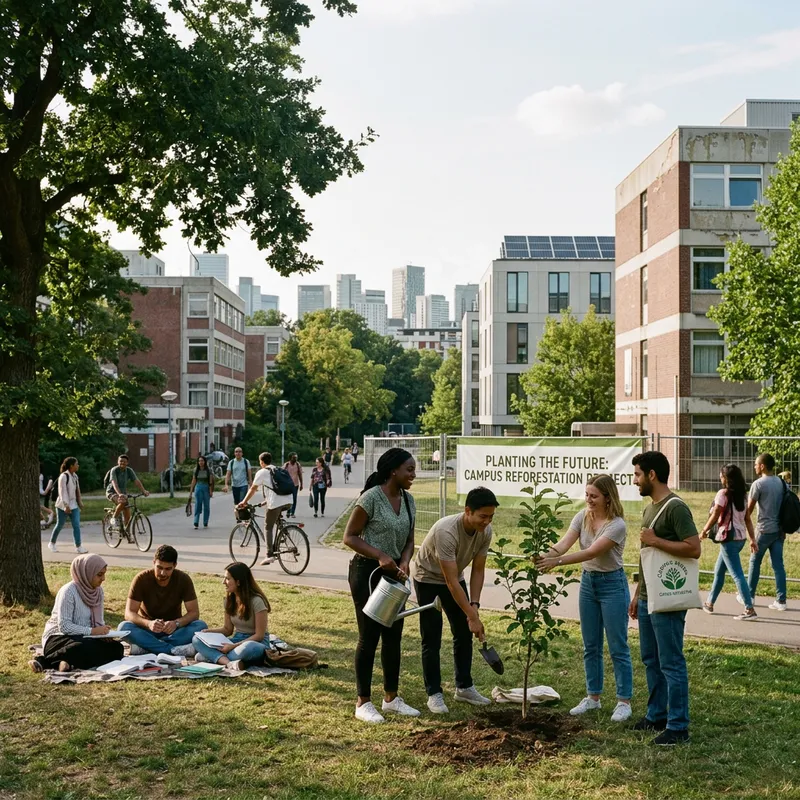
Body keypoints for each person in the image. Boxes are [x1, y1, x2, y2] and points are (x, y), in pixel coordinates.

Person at [537, 475, 633, 723]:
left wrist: (556, 562)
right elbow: (563, 545)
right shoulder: (582, 517)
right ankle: (593, 697)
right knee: (590, 645)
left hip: (613, 585)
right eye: (587, 494)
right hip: (588, 583)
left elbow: (591, 552)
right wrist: (544, 555)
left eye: (594, 496)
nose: (588, 499)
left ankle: (624, 702)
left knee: (618, 646)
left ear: (608, 498)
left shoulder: (617, 525)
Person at [629, 451, 700, 746]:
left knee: (671, 662)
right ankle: (656, 715)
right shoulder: (650, 509)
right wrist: (637, 594)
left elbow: (694, 548)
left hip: (668, 599)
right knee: (651, 660)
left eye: (637, 475)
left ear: (652, 475)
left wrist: (656, 540)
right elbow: (647, 557)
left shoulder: (675, 508)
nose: (635, 481)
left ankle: (678, 727)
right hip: (648, 597)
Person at [343, 447, 419, 724]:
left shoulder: (409, 500)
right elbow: (349, 537)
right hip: (367, 572)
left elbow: (409, 540)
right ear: (393, 471)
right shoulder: (371, 498)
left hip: (395, 573)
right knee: (369, 637)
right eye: (409, 469)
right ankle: (363, 702)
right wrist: (380, 556)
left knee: (393, 635)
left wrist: (405, 561)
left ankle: (391, 698)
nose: (413, 474)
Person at [412, 486, 499, 714]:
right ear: (468, 511)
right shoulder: (446, 531)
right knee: (432, 637)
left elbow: (478, 570)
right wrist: (472, 616)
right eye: (483, 516)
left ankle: (464, 687)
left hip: (455, 577)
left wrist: (474, 607)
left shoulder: (485, 531)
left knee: (463, 633)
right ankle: (434, 693)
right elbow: (449, 582)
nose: (487, 521)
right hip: (428, 578)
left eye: (491, 517)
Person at [30, 553, 124, 673]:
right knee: (82, 647)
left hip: (85, 637)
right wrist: (93, 631)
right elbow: (64, 626)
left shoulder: (98, 592)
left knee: (117, 648)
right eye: (99, 575)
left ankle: (65, 662)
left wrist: (104, 634)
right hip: (59, 637)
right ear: (87, 573)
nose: (103, 579)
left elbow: (98, 623)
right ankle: (44, 661)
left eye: (104, 574)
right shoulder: (68, 591)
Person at [118, 545, 207, 656]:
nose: (163, 573)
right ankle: (171, 650)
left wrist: (176, 623)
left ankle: (148, 647)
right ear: (153, 562)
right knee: (124, 627)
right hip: (147, 630)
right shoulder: (141, 579)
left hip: (174, 631)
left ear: (175, 565)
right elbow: (129, 613)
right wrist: (149, 624)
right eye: (159, 568)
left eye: (168, 569)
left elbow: (194, 613)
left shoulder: (183, 579)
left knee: (200, 625)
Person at [699, 464, 757, 621]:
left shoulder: (723, 494)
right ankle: (709, 603)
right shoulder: (743, 495)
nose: (719, 477)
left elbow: (715, 513)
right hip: (740, 539)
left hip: (728, 539)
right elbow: (747, 519)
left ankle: (749, 609)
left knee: (737, 575)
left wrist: (704, 530)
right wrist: (752, 539)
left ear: (726, 478)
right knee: (719, 571)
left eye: (721, 475)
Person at [192, 562, 272, 670]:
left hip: (255, 643)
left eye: (227, 579)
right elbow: (227, 629)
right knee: (196, 639)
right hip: (236, 640)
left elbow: (259, 636)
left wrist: (233, 646)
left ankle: (214, 657)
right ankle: (229, 663)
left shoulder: (257, 601)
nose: (223, 582)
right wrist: (207, 632)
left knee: (247, 648)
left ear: (238, 582)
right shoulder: (229, 601)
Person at [745, 453, 788, 612]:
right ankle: (781, 600)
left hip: (763, 530)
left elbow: (748, 510)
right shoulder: (782, 483)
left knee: (754, 561)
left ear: (762, 466)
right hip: (779, 531)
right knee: (778, 565)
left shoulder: (758, 484)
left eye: (756, 464)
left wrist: (743, 524)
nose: (754, 466)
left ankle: (749, 596)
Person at [237, 452, 292, 566]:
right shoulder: (277, 469)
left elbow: (253, 488)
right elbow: (275, 489)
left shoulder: (262, 472)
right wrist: (264, 502)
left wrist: (244, 502)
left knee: (268, 526)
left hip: (276, 503)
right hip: (288, 501)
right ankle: (283, 534)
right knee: (275, 519)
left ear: (261, 462)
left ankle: (269, 555)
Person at [48, 457, 87, 554]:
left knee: (76, 525)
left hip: (74, 505)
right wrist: (66, 506)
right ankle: (52, 543)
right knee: (59, 525)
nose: (78, 466)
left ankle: (78, 546)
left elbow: (77, 490)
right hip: (62, 506)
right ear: (71, 465)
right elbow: (62, 492)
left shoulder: (75, 476)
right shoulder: (64, 476)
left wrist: (80, 502)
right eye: (76, 464)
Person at [106, 454, 150, 531]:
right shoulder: (114, 470)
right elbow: (114, 483)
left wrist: (144, 491)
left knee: (127, 513)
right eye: (120, 461)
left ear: (127, 463)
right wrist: (119, 494)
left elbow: (136, 481)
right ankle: (113, 520)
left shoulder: (129, 470)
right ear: (118, 462)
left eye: (124, 461)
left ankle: (127, 533)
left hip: (123, 494)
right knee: (122, 502)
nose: (122, 463)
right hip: (112, 492)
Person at [189, 455, 215, 529]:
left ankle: (205, 522)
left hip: (206, 487)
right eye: (199, 461)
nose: (201, 462)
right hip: (198, 487)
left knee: (206, 506)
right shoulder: (196, 470)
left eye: (202, 461)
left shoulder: (208, 470)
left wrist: (210, 491)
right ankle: (196, 521)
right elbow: (194, 480)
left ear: (205, 462)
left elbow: (210, 481)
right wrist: (191, 492)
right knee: (198, 504)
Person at [283, 452, 304, 518]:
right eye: (294, 458)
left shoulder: (297, 464)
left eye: (296, 457)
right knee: (288, 499)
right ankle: (288, 511)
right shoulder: (286, 465)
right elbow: (282, 474)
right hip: (287, 485)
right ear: (290, 458)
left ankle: (292, 512)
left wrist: (301, 484)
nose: (295, 459)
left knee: (294, 498)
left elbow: (300, 474)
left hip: (295, 484)